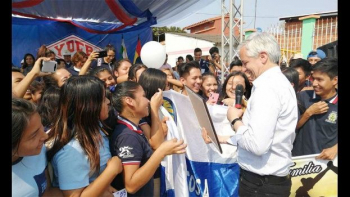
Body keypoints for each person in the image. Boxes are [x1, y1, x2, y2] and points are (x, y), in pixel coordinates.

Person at [203, 32, 298, 196]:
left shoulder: (267, 88)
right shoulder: (277, 83)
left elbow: (257, 145)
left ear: (262, 57)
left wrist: (234, 120)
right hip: (266, 183)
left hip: (260, 185)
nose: (244, 69)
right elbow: (259, 136)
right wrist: (223, 139)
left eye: (246, 63)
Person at [47, 76, 123, 196]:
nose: (108, 102)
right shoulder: (72, 150)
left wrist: (104, 184)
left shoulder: (95, 127)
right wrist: (111, 171)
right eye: (103, 99)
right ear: (88, 107)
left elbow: (92, 179)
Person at [109, 81, 187, 196]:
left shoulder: (133, 129)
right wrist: (161, 152)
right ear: (129, 101)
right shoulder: (127, 137)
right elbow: (131, 185)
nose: (148, 101)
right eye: (144, 96)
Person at [12, 98, 63, 196]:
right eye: (34, 135)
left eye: (41, 128)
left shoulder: (37, 152)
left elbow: (46, 192)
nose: (45, 136)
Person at [292, 58, 338, 160]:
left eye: (320, 80)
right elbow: (291, 127)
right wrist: (309, 112)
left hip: (326, 165)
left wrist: (335, 148)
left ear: (335, 80)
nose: (314, 83)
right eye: (313, 79)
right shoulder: (303, 97)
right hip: (299, 162)